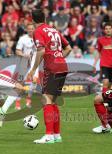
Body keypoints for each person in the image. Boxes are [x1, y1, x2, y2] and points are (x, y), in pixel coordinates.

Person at [27, 9, 72, 144]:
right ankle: (56, 135)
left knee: (46, 100)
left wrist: (33, 69)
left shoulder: (38, 31)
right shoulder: (54, 30)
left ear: (33, 20)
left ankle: (48, 136)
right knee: (52, 101)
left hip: (52, 68)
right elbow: (68, 48)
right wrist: (58, 58)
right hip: (62, 66)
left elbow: (41, 51)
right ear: (45, 18)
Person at [13, 23, 39, 110]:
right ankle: (17, 101)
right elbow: (17, 51)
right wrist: (24, 55)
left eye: (32, 28)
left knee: (34, 81)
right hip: (24, 63)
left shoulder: (39, 38)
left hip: (34, 63)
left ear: (34, 29)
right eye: (29, 29)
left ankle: (28, 99)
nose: (31, 30)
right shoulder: (23, 39)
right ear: (27, 30)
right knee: (21, 83)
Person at [93, 23, 112, 93]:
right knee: (105, 82)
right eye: (106, 29)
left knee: (110, 84)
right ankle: (104, 99)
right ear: (104, 30)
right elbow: (98, 52)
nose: (108, 30)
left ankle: (108, 98)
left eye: (109, 29)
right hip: (104, 64)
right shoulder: (100, 40)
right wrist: (94, 64)